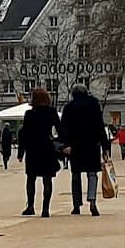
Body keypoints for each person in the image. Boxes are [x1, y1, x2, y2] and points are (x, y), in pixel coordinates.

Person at [61, 83, 110, 217]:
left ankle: (76, 205)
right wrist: (105, 146)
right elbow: (100, 126)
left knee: (76, 175)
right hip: (92, 145)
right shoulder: (94, 105)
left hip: (75, 146)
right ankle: (92, 202)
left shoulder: (69, 108)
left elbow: (64, 128)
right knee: (92, 174)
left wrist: (65, 145)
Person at [16, 87, 63, 217]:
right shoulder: (52, 112)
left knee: (31, 178)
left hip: (32, 149)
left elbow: (24, 134)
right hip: (47, 148)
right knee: (47, 179)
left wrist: (21, 152)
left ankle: (30, 206)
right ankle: (45, 209)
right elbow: (60, 130)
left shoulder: (29, 114)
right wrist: (60, 144)